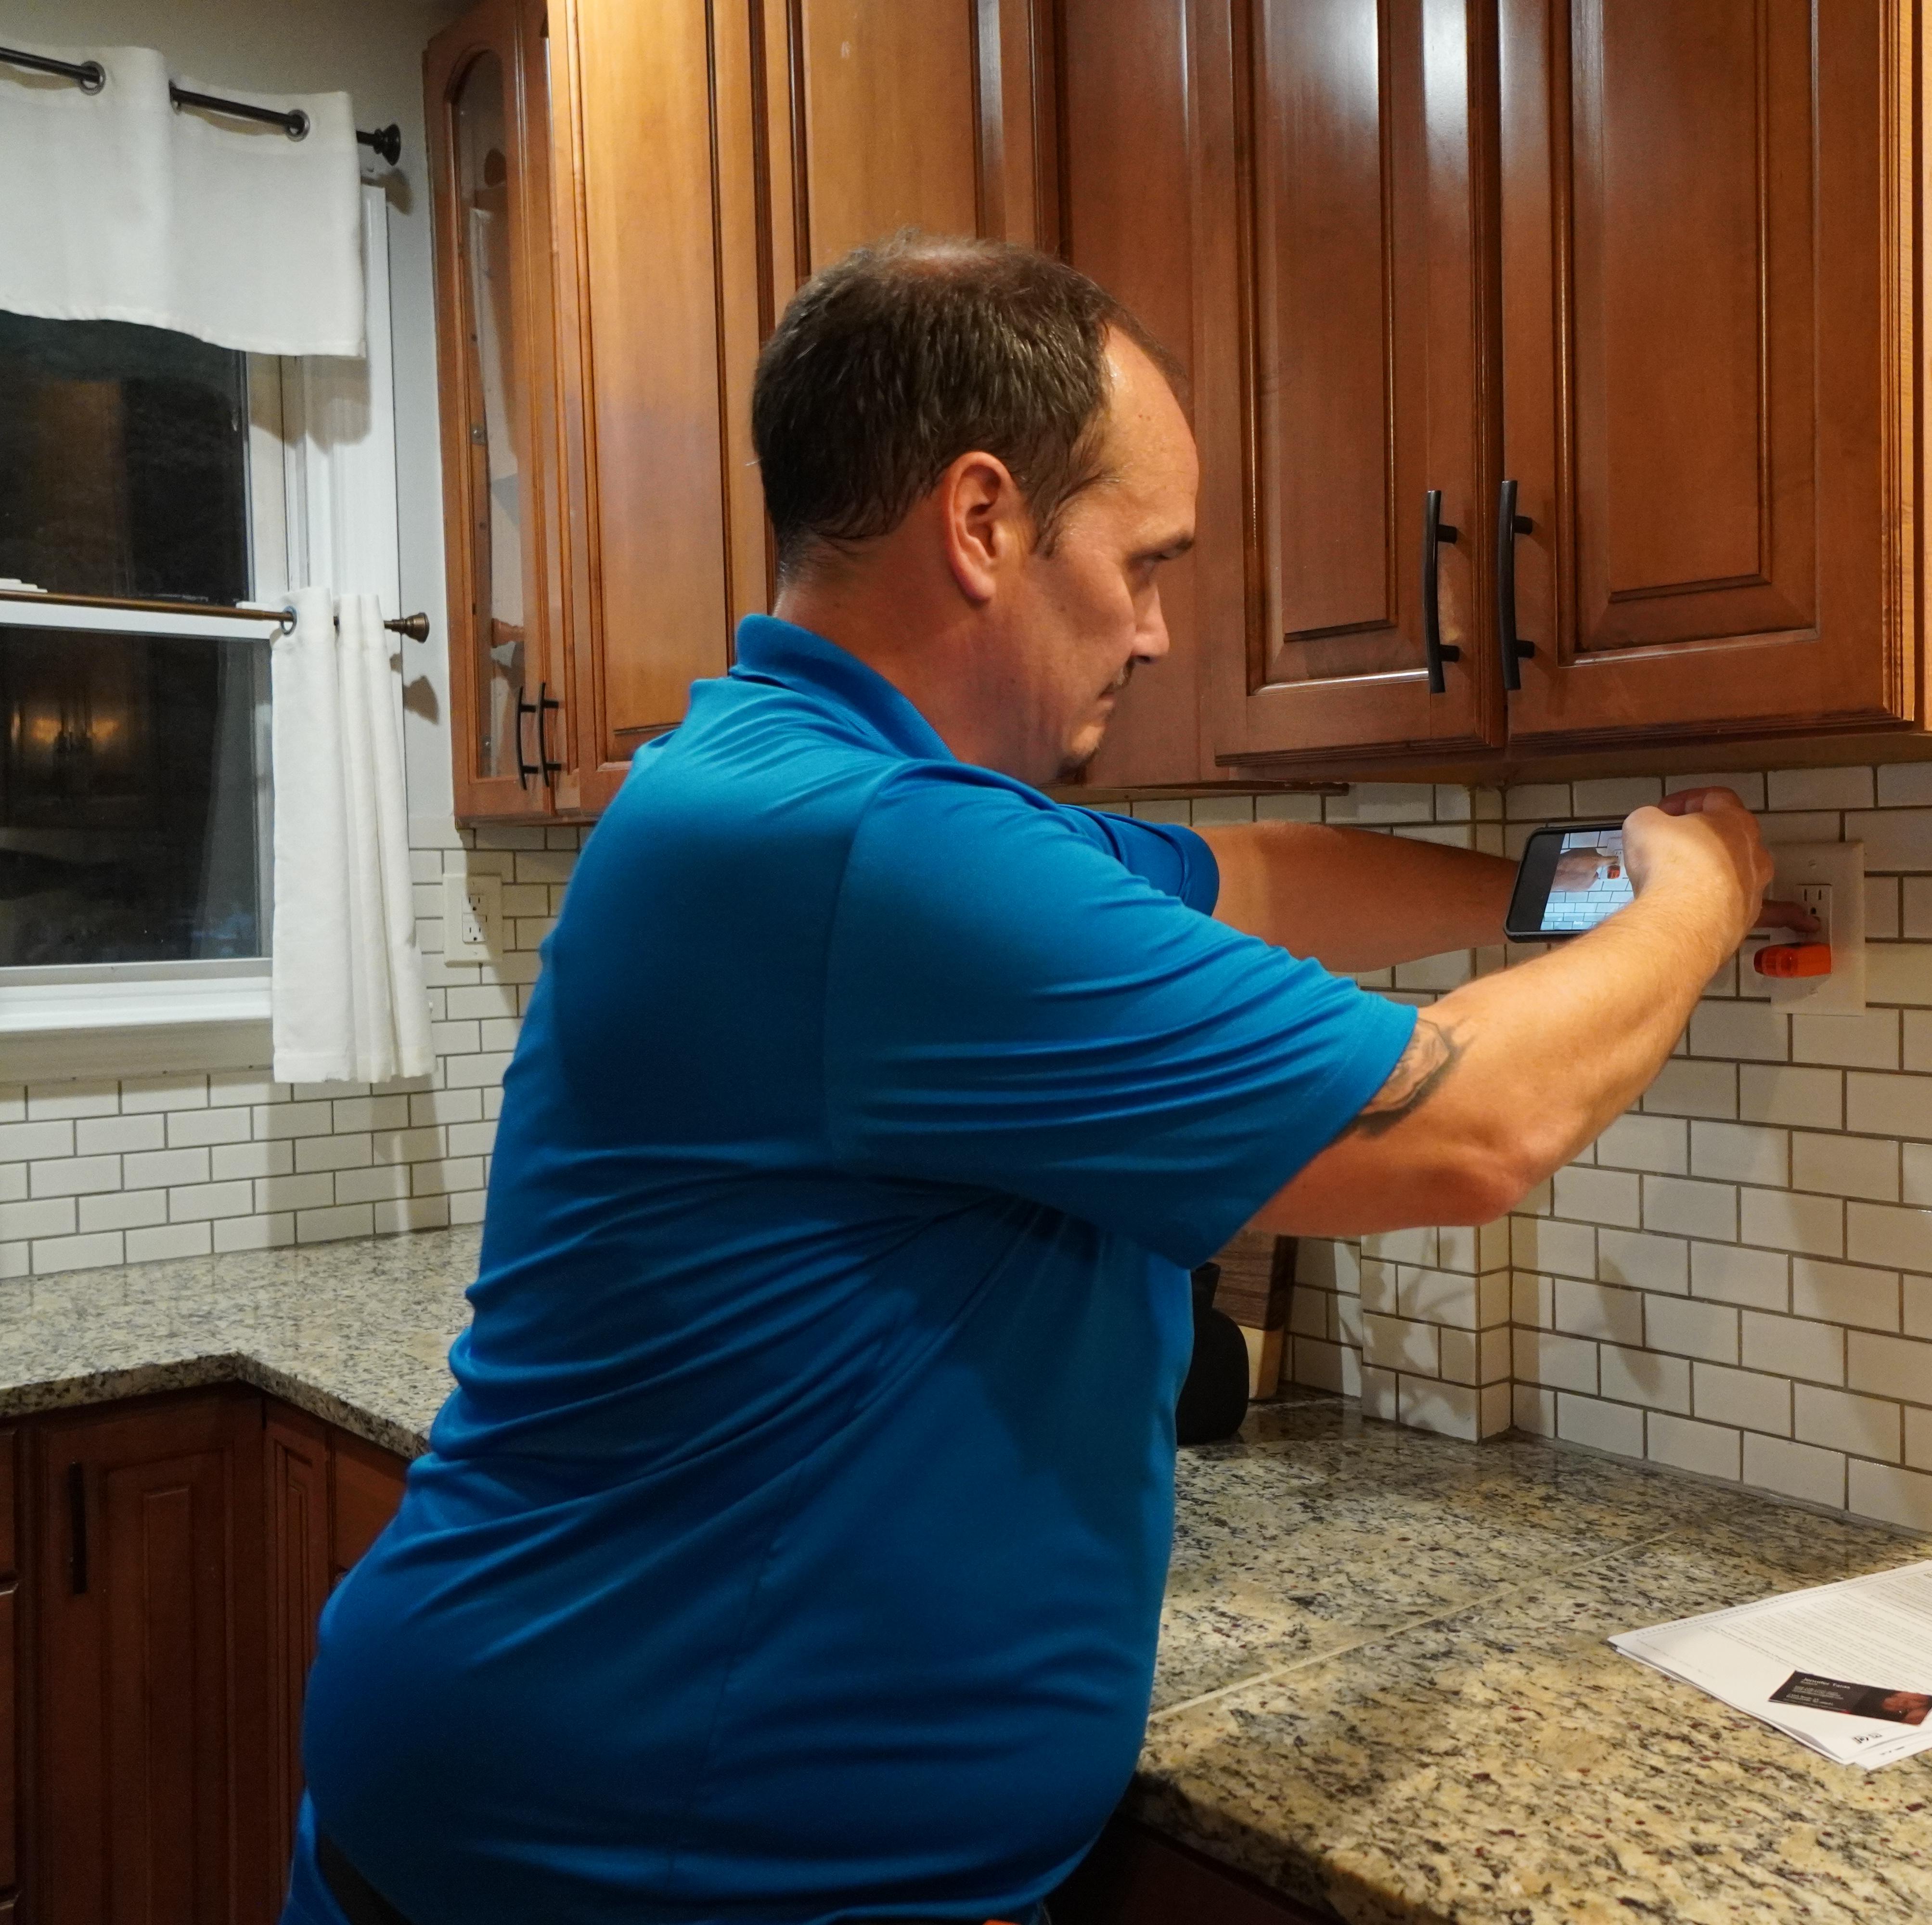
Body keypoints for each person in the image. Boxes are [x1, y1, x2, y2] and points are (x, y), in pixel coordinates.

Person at [285, 234, 1793, 1925]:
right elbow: (1468, 1128)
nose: (1156, 631)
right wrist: (1696, 904)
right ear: (985, 521)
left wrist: (1559, 886)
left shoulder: (804, 786)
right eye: (1141, 563)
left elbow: (1251, 878)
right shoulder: (869, 847)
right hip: (630, 1871)